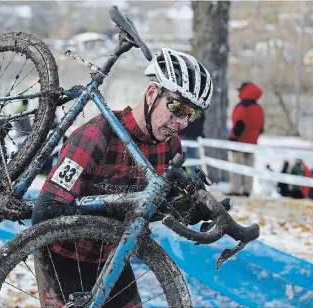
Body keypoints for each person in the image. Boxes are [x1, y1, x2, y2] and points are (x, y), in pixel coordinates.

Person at [31, 48, 224, 307]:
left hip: (111, 256)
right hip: (63, 253)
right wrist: (116, 210)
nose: (181, 122)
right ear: (152, 94)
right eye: (178, 107)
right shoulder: (95, 137)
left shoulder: (170, 147)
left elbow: (161, 207)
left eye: (192, 114)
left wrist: (193, 212)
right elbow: (44, 213)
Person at [228, 81, 264, 197]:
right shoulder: (259, 108)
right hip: (253, 143)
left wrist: (233, 139)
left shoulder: (241, 107)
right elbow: (261, 128)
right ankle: (247, 190)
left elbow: (239, 124)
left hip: (239, 142)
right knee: (249, 167)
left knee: (236, 166)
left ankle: (236, 189)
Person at [180, 113, 205, 177]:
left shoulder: (199, 107)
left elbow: (202, 118)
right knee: (181, 157)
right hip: (184, 134)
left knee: (191, 158)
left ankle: (193, 177)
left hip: (192, 134)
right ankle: (183, 176)